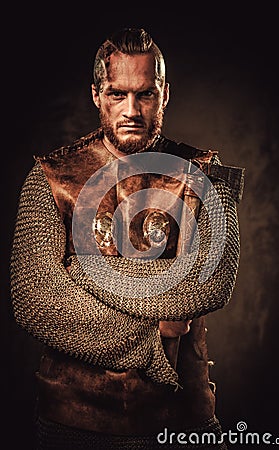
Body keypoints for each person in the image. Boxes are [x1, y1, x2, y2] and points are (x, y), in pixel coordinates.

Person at [10, 28, 244, 449]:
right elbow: (35, 299)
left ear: (165, 94)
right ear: (97, 95)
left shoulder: (203, 173)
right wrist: (155, 334)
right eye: (118, 94)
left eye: (146, 94)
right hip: (72, 419)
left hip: (180, 416)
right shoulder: (51, 179)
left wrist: (84, 273)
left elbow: (209, 283)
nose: (132, 110)